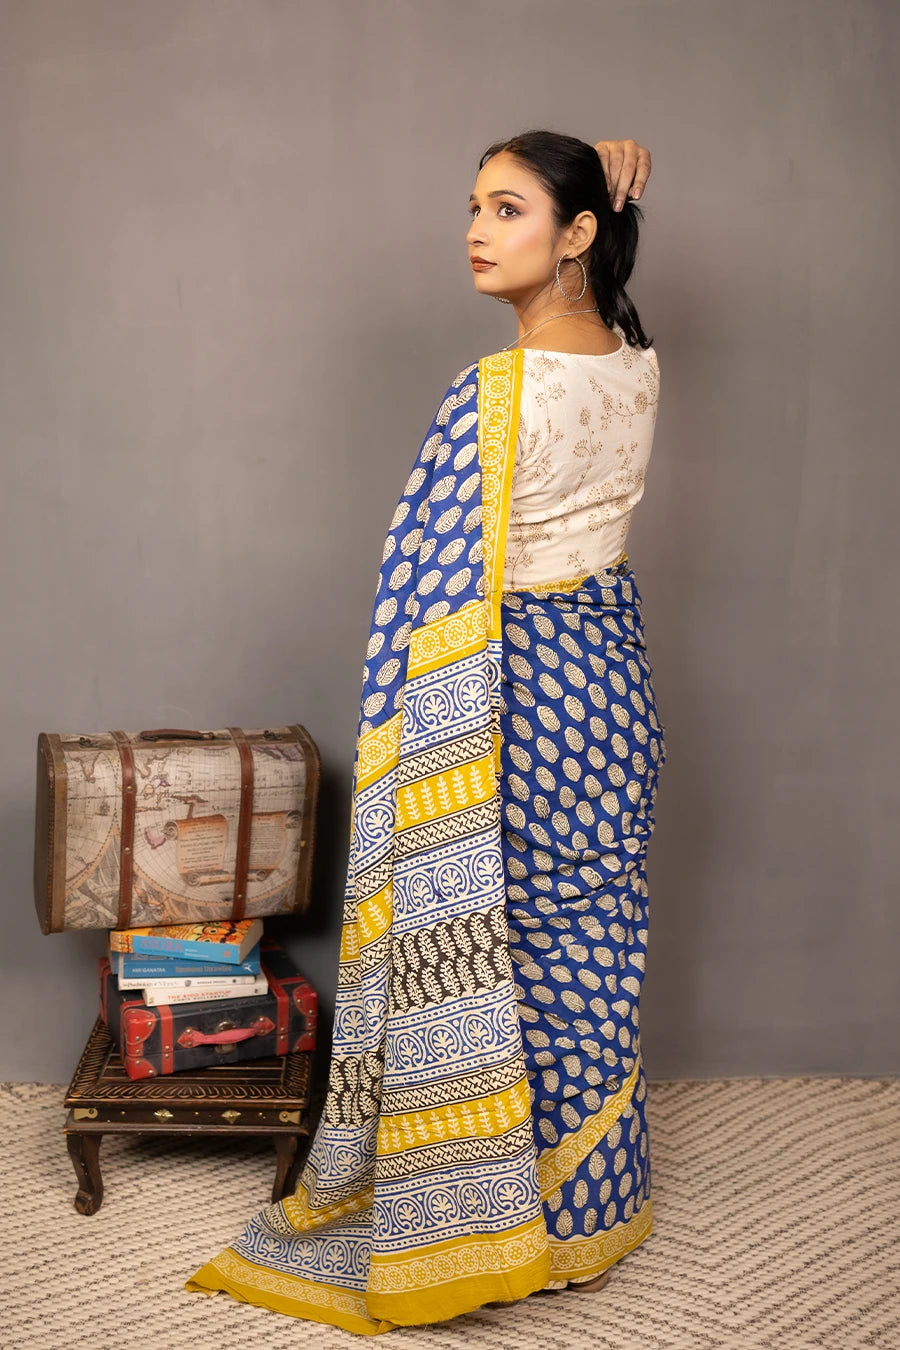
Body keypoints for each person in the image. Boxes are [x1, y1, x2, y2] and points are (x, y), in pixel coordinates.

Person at [186, 130, 664, 1335]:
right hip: (615, 684)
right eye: (472, 206)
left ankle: (503, 1225)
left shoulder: (499, 391)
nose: (476, 229)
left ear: (576, 231)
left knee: (507, 943)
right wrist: (604, 181)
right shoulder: (636, 359)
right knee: (590, 929)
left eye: (509, 209)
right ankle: (594, 1208)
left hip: (525, 687)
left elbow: (432, 585)